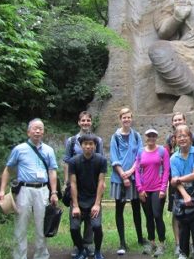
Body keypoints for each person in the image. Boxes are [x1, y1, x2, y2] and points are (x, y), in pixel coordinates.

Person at [0, 118, 58, 259]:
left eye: (40, 129)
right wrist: (2, 190)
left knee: (42, 224)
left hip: (43, 190)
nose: (37, 131)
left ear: (43, 132)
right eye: (35, 128)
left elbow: (52, 172)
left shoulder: (49, 150)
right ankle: (19, 256)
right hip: (24, 190)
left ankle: (41, 255)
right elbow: (8, 169)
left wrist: (54, 192)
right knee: (21, 224)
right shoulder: (19, 149)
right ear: (28, 132)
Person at [63, 111, 104, 258]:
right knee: (76, 216)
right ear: (79, 122)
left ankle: (88, 244)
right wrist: (66, 182)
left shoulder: (97, 140)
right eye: (83, 120)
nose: (86, 123)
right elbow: (67, 161)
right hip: (75, 181)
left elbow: (100, 161)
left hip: (92, 182)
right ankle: (78, 246)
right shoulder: (72, 141)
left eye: (88, 120)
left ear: (91, 122)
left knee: (90, 219)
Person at [170, 124, 194, 259]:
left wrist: (178, 179)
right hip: (182, 195)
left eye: (185, 136)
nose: (182, 139)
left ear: (190, 138)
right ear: (175, 139)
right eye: (179, 136)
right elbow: (175, 183)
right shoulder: (173, 158)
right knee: (183, 224)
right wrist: (185, 195)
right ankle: (183, 253)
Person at [109, 107, 145, 255]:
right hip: (119, 178)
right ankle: (122, 241)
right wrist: (123, 175)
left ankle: (140, 238)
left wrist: (130, 172)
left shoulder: (136, 136)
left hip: (134, 176)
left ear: (132, 118)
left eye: (129, 117)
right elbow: (113, 157)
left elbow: (140, 156)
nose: (126, 120)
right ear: (120, 119)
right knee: (120, 209)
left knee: (137, 207)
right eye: (124, 117)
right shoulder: (115, 137)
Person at [165, 112, 194, 256]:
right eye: (175, 120)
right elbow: (166, 158)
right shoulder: (169, 139)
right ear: (172, 123)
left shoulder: (193, 137)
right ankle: (179, 243)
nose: (178, 121)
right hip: (175, 179)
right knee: (176, 212)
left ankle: (190, 243)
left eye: (180, 119)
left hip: (191, 180)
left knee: (193, 212)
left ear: (185, 121)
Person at [69, 133, 107, 259]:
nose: (88, 147)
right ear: (81, 145)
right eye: (85, 144)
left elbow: (101, 182)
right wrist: (75, 205)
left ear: (95, 146)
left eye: (91, 144)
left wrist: (97, 204)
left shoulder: (101, 160)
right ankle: (81, 250)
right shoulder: (74, 161)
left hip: (93, 200)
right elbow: (73, 183)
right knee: (74, 228)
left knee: (96, 226)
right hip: (78, 200)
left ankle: (97, 251)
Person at [135, 127, 170, 257]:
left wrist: (163, 188)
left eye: (153, 136)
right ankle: (152, 242)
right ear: (146, 137)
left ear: (156, 137)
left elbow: (166, 170)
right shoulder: (140, 152)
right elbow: (137, 172)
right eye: (149, 136)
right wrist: (140, 189)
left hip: (157, 189)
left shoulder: (162, 151)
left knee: (157, 215)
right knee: (148, 217)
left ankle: (162, 243)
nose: (151, 138)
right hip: (144, 190)